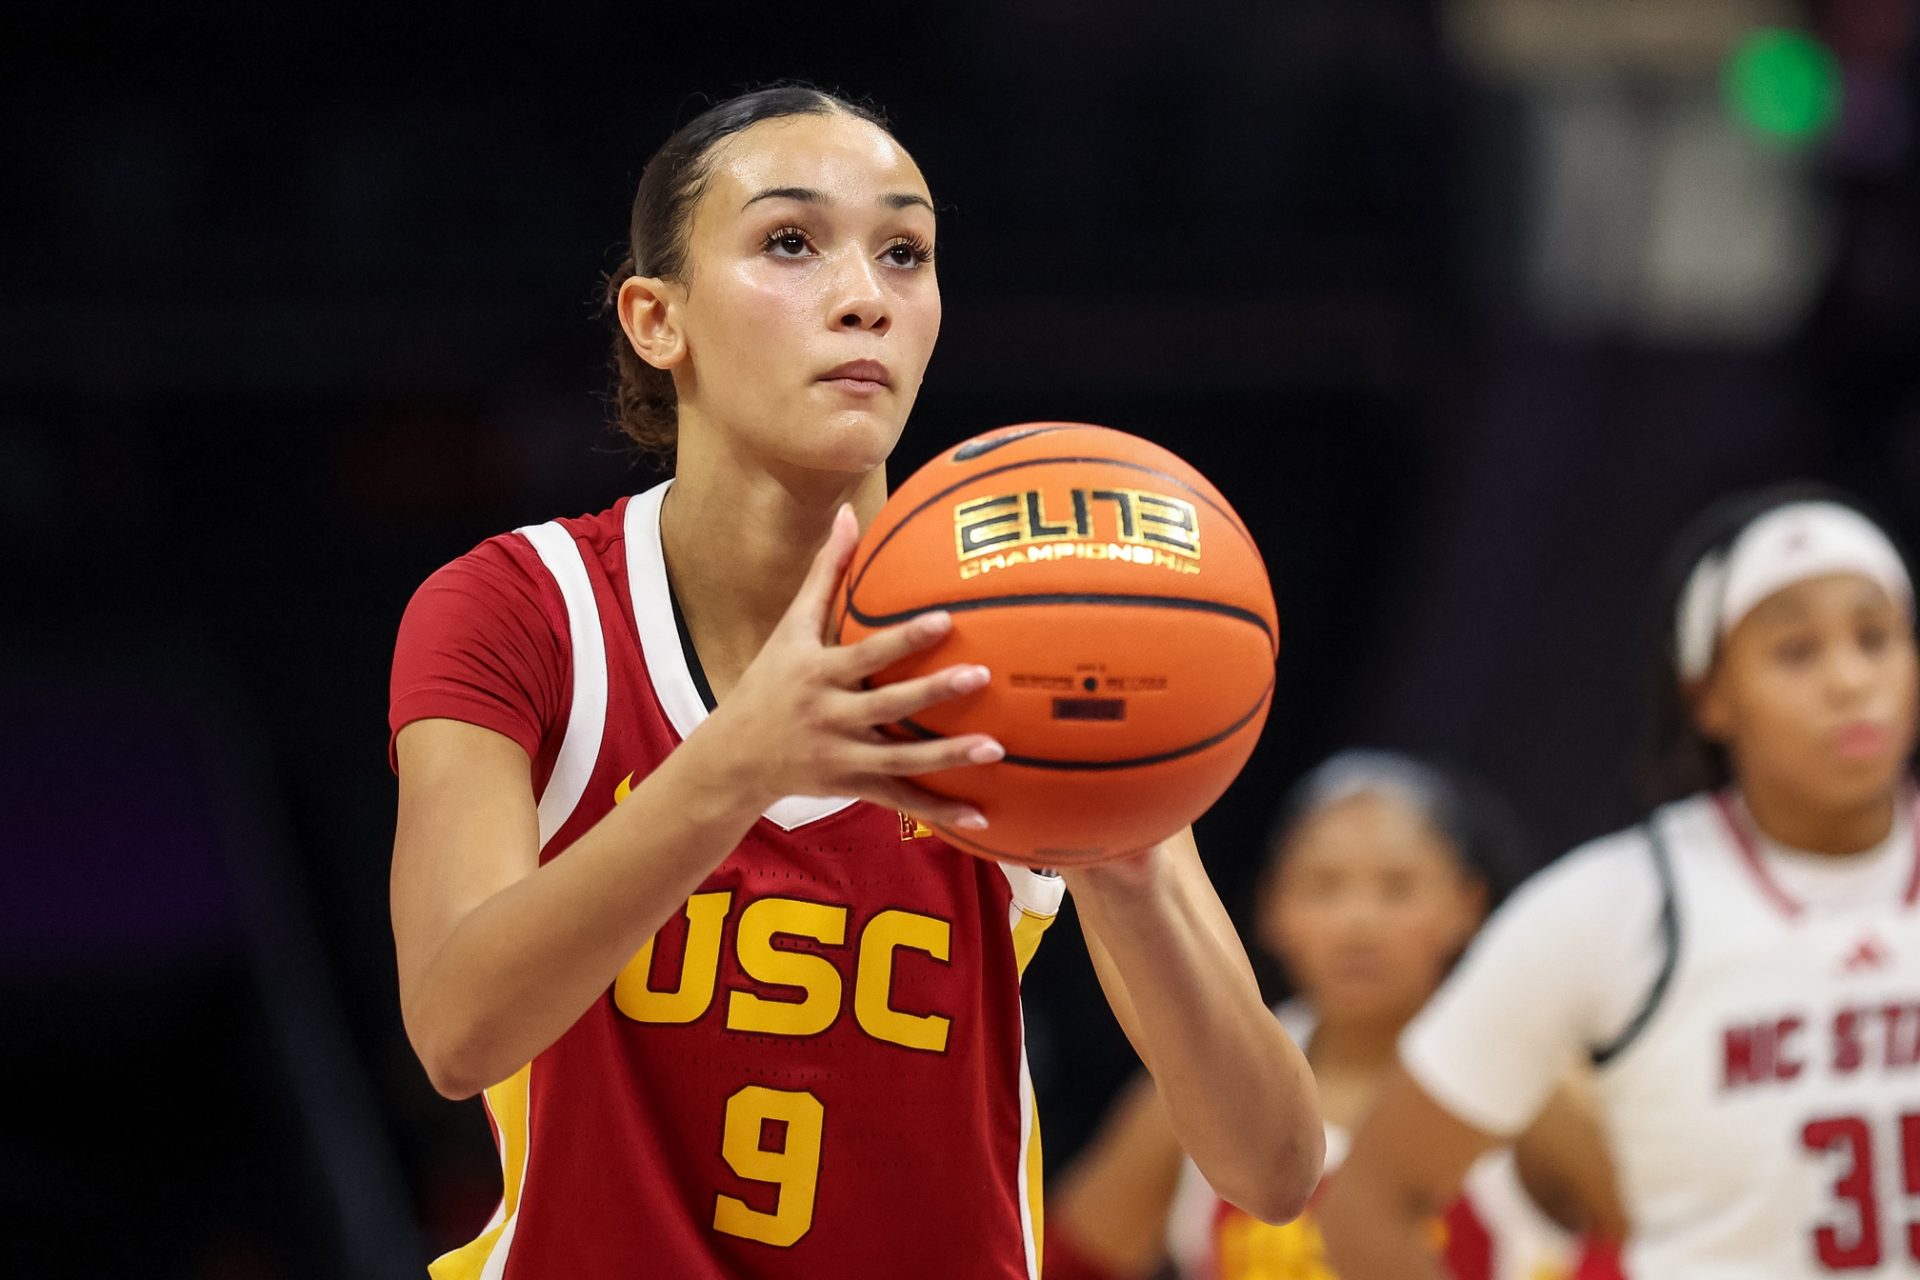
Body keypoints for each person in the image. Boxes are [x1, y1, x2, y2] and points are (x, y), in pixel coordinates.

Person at [386, 84, 1320, 1280]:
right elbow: (460, 1030)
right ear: (654, 318)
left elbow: (1275, 1166)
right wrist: (737, 763)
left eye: (904, 251)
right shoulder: (523, 608)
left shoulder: (1017, 635)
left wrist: (1129, 862)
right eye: (790, 241)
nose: (865, 295)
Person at [1320, 487, 1920, 1278]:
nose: (1849, 680)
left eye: (1875, 639)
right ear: (1708, 696)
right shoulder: (1613, 907)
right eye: (1796, 652)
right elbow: (1369, 1205)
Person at [1044, 752, 1623, 1280]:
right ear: (1274, 910)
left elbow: (1674, 1243)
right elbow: (1065, 1259)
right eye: (1324, 887)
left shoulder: (1531, 1084)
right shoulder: (1203, 1087)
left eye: (1397, 889)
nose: (1358, 924)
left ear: (1466, 905)